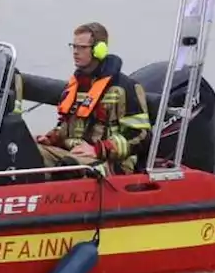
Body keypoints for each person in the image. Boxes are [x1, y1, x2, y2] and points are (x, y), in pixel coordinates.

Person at [36, 22, 151, 174]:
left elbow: (141, 136)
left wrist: (98, 149)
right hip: (73, 154)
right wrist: (52, 137)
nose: (75, 52)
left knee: (70, 168)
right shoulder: (75, 86)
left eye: (82, 47)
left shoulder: (125, 88)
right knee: (30, 152)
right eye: (74, 46)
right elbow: (66, 125)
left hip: (111, 162)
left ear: (99, 50)